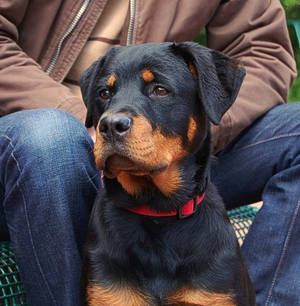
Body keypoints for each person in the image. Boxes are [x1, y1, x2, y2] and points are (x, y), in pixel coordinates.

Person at [0, 0, 298, 305]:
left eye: (158, 89)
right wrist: (77, 116)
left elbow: (263, 51)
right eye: (106, 91)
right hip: (29, 145)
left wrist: (194, 128)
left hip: (178, 152)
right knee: (50, 137)